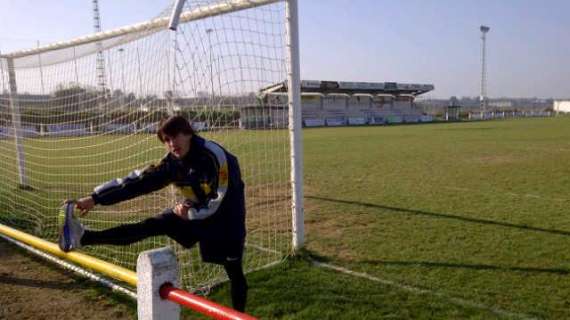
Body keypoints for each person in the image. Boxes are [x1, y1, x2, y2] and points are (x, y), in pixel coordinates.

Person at [58, 115, 248, 312]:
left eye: (175, 136)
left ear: (188, 133)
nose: (172, 144)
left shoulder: (214, 155)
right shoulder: (171, 163)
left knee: (234, 272)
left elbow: (222, 197)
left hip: (227, 224)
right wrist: (94, 199)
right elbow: (136, 183)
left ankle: (239, 316)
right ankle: (83, 237)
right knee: (152, 224)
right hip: (193, 217)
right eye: (166, 140)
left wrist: (191, 212)